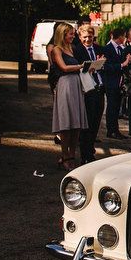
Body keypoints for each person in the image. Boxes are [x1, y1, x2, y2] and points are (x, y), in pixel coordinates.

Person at [50, 22, 88, 170]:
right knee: (66, 123)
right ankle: (65, 155)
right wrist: (81, 66)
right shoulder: (56, 50)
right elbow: (64, 68)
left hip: (76, 84)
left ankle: (72, 154)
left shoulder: (72, 49)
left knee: (76, 124)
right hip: (65, 84)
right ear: (63, 34)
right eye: (70, 34)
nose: (73, 36)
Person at [72, 24, 105, 164]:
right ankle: (86, 154)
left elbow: (107, 66)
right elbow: (76, 68)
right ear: (80, 37)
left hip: (100, 87)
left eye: (90, 37)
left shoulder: (99, 49)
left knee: (96, 121)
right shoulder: (77, 50)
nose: (87, 40)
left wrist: (102, 62)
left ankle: (90, 149)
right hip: (86, 89)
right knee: (87, 123)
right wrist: (87, 69)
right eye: (84, 37)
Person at [101, 27, 131, 139]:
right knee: (112, 107)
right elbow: (105, 67)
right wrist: (122, 64)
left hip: (119, 83)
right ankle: (111, 130)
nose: (124, 38)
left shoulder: (121, 49)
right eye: (124, 36)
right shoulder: (107, 49)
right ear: (120, 37)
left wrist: (128, 61)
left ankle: (116, 130)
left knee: (117, 107)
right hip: (110, 82)